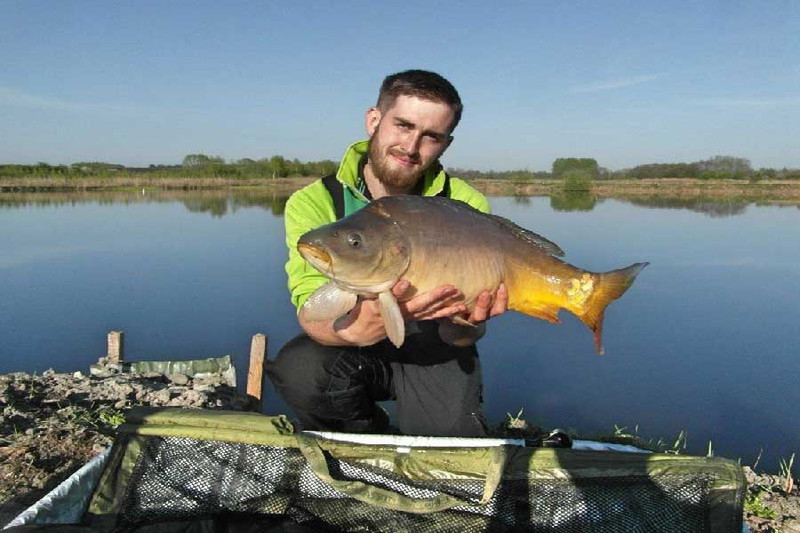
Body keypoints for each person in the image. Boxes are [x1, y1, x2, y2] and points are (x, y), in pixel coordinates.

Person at [266, 70, 508, 437]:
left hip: (435, 347)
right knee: (301, 369)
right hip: (352, 344)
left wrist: (467, 324)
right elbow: (310, 308)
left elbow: (464, 337)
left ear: (446, 144)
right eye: (403, 125)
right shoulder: (314, 202)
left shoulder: (464, 205)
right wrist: (355, 331)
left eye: (431, 137)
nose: (411, 147)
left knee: (447, 452)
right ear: (374, 120)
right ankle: (362, 443)